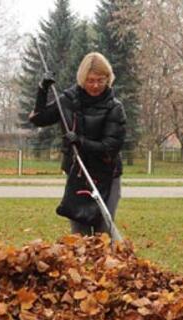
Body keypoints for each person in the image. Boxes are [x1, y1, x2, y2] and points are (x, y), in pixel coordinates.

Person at [29, 52, 126, 236]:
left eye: (100, 80)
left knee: (103, 231)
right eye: (90, 80)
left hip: (107, 175)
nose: (95, 85)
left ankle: (107, 261)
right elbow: (39, 118)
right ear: (82, 78)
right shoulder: (68, 100)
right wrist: (43, 89)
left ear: (108, 78)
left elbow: (110, 147)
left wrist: (80, 142)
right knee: (79, 234)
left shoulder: (115, 107)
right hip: (77, 175)